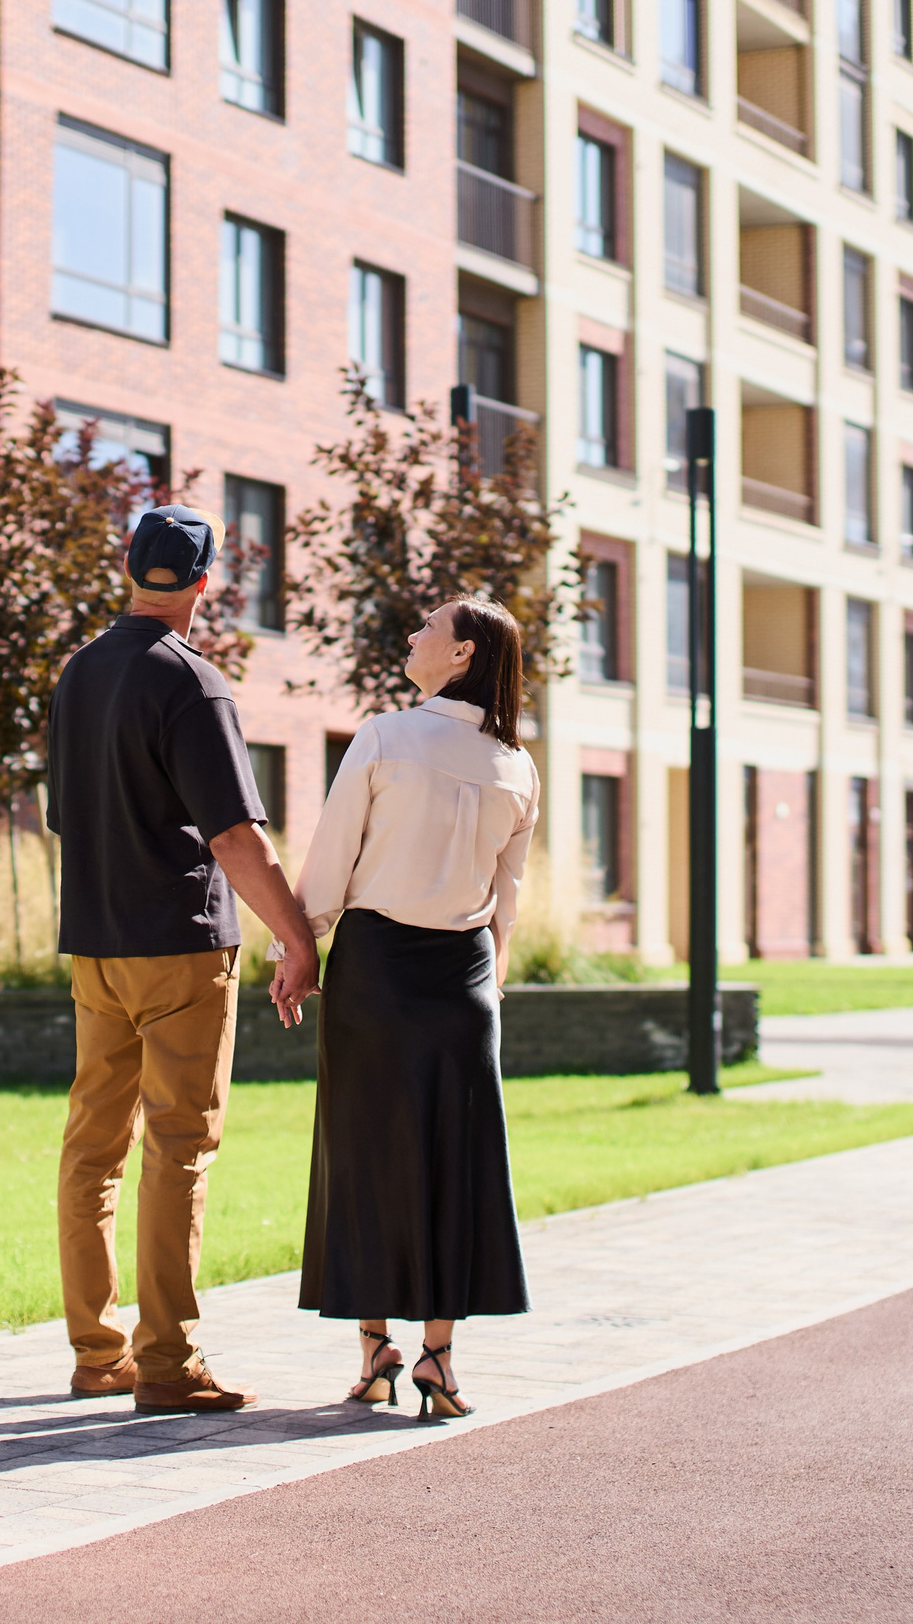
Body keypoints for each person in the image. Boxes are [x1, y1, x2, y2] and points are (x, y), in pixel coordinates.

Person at [44, 505, 321, 1414]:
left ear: (127, 567)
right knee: (178, 1147)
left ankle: (97, 1351)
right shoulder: (191, 681)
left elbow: (65, 818)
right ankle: (168, 1361)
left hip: (95, 947)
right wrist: (296, 934)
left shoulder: (78, 673)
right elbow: (236, 836)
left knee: (93, 1146)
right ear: (205, 584)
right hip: (180, 949)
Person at [290, 596, 539, 1421]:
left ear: (462, 654)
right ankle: (439, 1355)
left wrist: (297, 945)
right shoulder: (518, 766)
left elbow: (331, 859)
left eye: (427, 627)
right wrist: (488, 987)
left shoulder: (385, 736)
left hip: (378, 970)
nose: (412, 636)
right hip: (466, 979)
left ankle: (376, 1349)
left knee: (363, 1156)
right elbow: (508, 898)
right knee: (455, 1164)